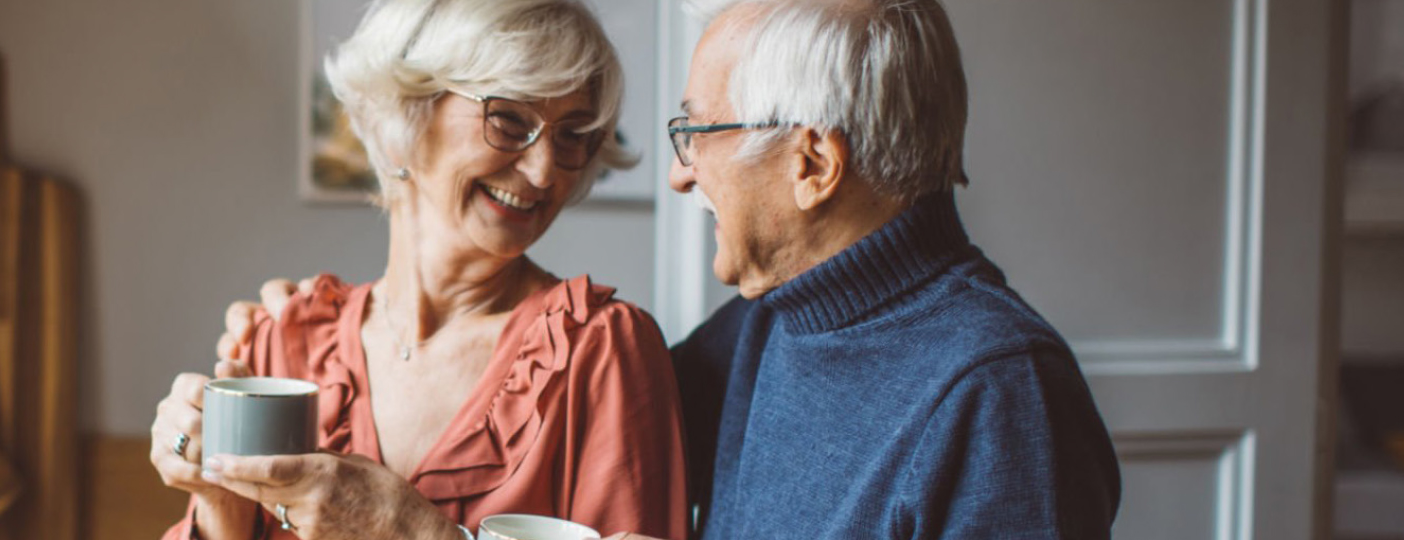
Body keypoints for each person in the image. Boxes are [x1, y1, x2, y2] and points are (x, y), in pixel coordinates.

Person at [229, 0, 1123, 537]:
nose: (678, 172)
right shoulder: (766, 330)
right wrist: (300, 336)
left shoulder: (1001, 396)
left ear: (813, 163)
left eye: (696, 132)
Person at [148, 1, 690, 539]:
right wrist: (213, 491)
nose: (544, 170)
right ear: (401, 117)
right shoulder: (287, 340)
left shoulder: (599, 352)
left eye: (571, 135)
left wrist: (414, 532)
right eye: (508, 119)